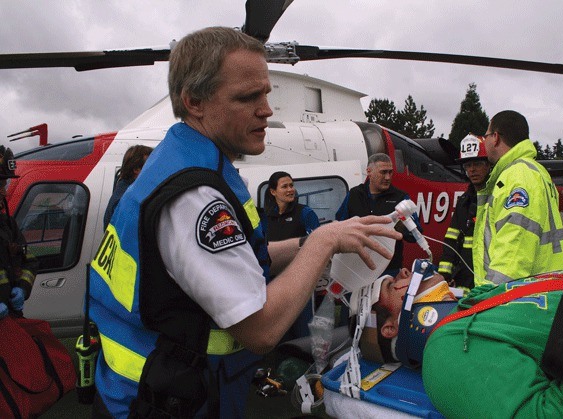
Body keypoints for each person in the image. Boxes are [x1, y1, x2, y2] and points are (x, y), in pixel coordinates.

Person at [88, 27, 400, 419]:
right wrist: (323, 241)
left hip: (149, 389)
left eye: (267, 93)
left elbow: (237, 260)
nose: (267, 109)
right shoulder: (194, 198)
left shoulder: (183, 161)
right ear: (195, 102)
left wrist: (312, 242)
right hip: (166, 401)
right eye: (248, 97)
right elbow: (261, 330)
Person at [351, 261, 563, 418]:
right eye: (390, 286)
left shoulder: (472, 305)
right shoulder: (446, 353)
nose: (402, 273)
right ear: (389, 329)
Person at [474, 111, 563, 285]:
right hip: (545, 283)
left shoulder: (517, 176)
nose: (485, 141)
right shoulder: (536, 171)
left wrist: (489, 294)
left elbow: (515, 247)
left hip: (524, 294)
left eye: (486, 135)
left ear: (495, 137)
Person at [336, 153, 420, 277]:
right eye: (383, 172)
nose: (388, 177)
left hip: (388, 270)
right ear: (369, 172)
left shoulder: (401, 198)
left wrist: (402, 225)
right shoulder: (354, 194)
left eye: (390, 172)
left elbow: (415, 235)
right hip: (356, 269)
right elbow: (340, 226)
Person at [262, 170, 321, 339]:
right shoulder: (266, 217)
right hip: (275, 285)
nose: (290, 190)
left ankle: (309, 364)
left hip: (301, 283)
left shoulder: (305, 213)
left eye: (291, 185)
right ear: (273, 192)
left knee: (304, 334)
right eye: (285, 186)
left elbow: (317, 244)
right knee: (279, 333)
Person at [437, 134, 491, 292]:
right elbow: (451, 241)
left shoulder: (497, 197)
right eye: (467, 165)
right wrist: (443, 277)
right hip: (464, 281)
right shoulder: (464, 201)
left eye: (477, 164)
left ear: (488, 165)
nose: (472, 169)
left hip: (490, 279)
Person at [0, 146, 38, 320]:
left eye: (4, 185)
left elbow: (29, 261)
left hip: (12, 317)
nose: (4, 192)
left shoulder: (8, 224)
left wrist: (22, 288)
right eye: (0, 185)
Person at [102, 144, 153, 229]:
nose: (154, 170)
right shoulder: (126, 201)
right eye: (150, 165)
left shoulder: (123, 188)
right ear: (136, 169)